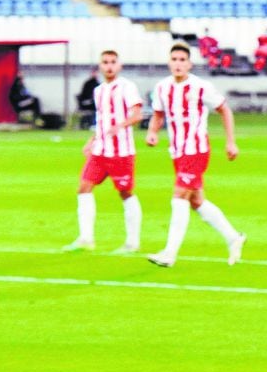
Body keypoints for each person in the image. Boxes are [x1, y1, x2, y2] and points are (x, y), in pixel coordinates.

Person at [145, 42, 246, 268]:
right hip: (178, 152)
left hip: (196, 149)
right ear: (169, 62)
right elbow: (158, 115)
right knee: (197, 201)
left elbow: (224, 109)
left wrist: (231, 142)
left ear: (189, 64)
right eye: (175, 59)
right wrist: (152, 132)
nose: (178, 64)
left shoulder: (201, 87)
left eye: (183, 60)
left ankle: (169, 254)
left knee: (179, 196)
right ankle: (234, 238)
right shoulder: (162, 87)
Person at [63, 50, 144, 255]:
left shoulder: (127, 87)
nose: (109, 66)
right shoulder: (99, 90)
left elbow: (138, 114)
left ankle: (132, 243)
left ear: (119, 65)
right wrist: (91, 140)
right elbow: (101, 121)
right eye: (105, 62)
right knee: (83, 187)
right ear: (100, 66)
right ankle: (86, 239)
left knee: (125, 192)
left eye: (113, 62)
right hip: (100, 151)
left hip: (121, 152)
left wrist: (120, 125)